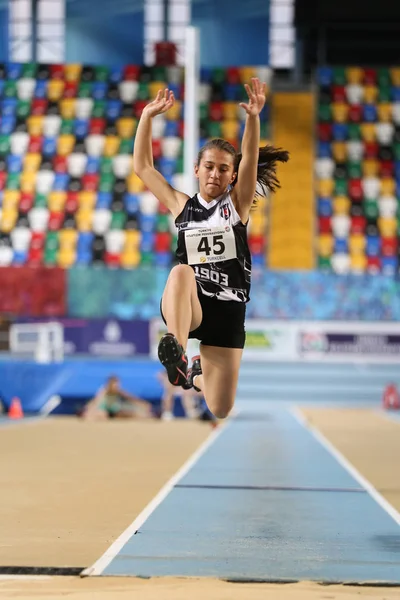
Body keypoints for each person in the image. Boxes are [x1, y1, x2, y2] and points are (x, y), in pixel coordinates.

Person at [133, 78, 289, 419]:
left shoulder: (237, 206)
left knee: (220, 408)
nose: (215, 174)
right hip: (191, 305)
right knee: (180, 271)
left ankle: (192, 373)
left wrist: (253, 118)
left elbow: (249, 164)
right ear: (196, 169)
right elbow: (143, 167)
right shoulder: (180, 205)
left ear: (232, 175)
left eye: (223, 169)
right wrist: (146, 116)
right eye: (209, 166)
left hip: (228, 312)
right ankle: (178, 353)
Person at [81, 375, 153, 420]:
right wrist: (89, 410)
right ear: (110, 383)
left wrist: (143, 403)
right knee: (102, 415)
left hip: (114, 409)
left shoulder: (118, 390)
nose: (117, 385)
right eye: (115, 384)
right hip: (104, 409)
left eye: (117, 384)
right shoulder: (104, 390)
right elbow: (97, 400)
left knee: (133, 413)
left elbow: (130, 397)